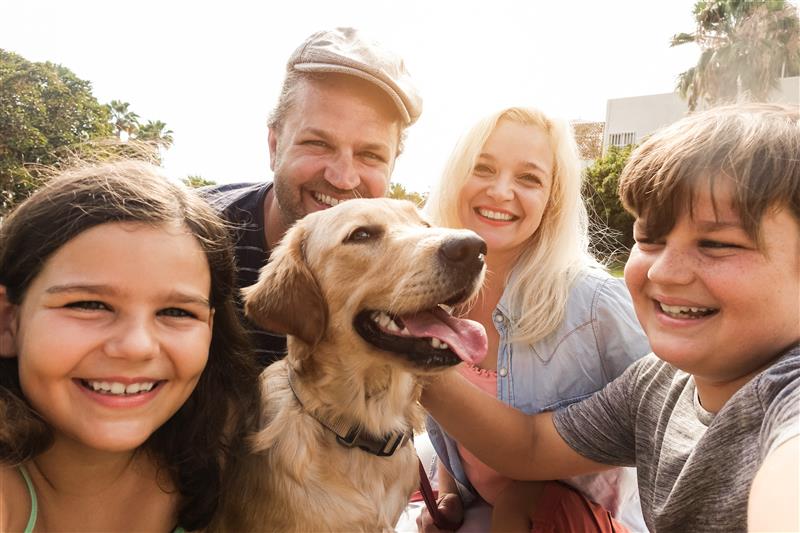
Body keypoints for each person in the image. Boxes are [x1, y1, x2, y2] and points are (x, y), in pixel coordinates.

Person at [420, 103, 800, 532]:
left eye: (716, 243)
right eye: (649, 238)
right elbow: (528, 446)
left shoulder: (787, 400)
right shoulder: (655, 384)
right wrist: (407, 355)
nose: (663, 272)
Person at [417, 107, 650, 532]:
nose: (501, 191)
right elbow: (452, 425)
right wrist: (449, 491)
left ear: (552, 198)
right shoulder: (431, 298)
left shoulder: (596, 303)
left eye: (529, 178)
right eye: (482, 168)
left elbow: (668, 430)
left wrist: (538, 495)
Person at [0, 160, 261, 532]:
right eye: (89, 304)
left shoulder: (233, 457)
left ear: (210, 328)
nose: (136, 346)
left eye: (176, 311)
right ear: (8, 321)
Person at [203, 27, 423, 367]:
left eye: (370, 155)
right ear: (275, 146)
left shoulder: (408, 272)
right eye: (318, 144)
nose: (342, 177)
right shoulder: (194, 238)